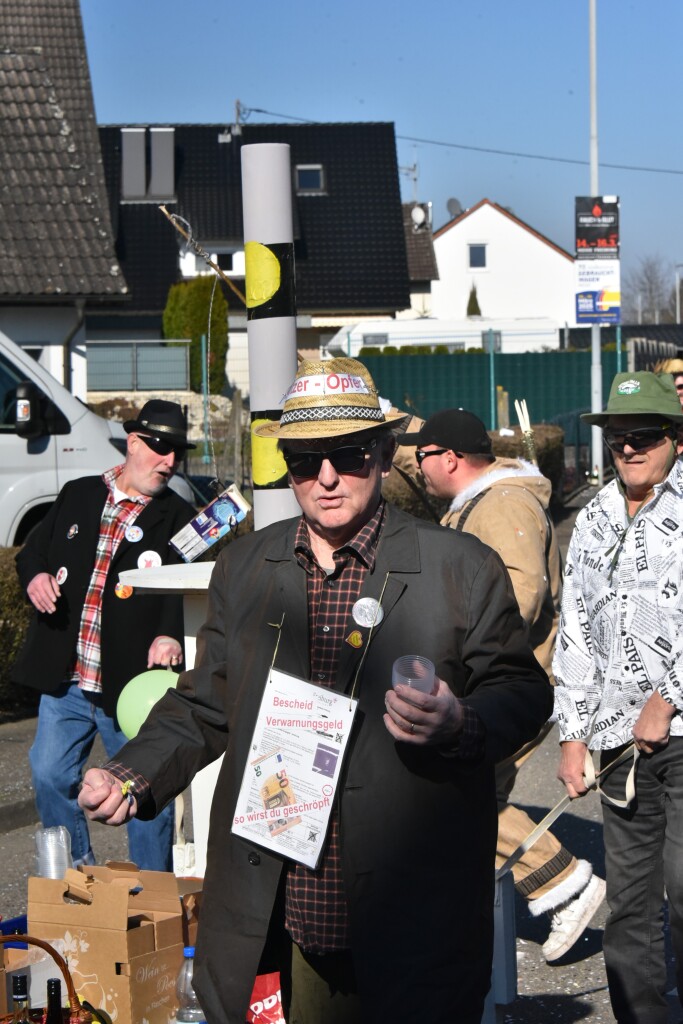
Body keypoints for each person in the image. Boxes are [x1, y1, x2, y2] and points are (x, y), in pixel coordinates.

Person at [78, 357, 552, 1024]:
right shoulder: (246, 565)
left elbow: (521, 690)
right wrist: (133, 771)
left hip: (407, 898)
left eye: (349, 455)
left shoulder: (457, 566)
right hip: (281, 895)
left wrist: (460, 722)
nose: (326, 478)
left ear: (384, 454)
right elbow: (206, 697)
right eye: (305, 460)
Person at [395, 409, 606, 961]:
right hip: (500, 678)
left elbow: (521, 594)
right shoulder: (480, 505)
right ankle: (548, 886)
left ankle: (563, 882)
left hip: (515, 681)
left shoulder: (503, 504)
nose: (418, 472)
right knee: (465, 791)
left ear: (449, 458)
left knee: (461, 793)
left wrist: (448, 640)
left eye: (422, 460)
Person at [11, 399, 196, 871]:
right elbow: (31, 553)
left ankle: (152, 896)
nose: (169, 461)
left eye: (177, 451)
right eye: (159, 447)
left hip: (132, 682)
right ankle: (80, 877)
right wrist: (34, 578)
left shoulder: (178, 514)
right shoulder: (78, 493)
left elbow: (189, 585)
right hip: (68, 678)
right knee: (49, 774)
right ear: (133, 443)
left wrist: (171, 634)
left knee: (142, 793)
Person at [554, 371, 683, 1024]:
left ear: (675, 440)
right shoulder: (593, 518)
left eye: (644, 436)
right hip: (615, 745)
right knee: (630, 904)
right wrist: (572, 732)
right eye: (616, 438)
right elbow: (574, 627)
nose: (627, 448)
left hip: (679, 734)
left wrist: (666, 698)